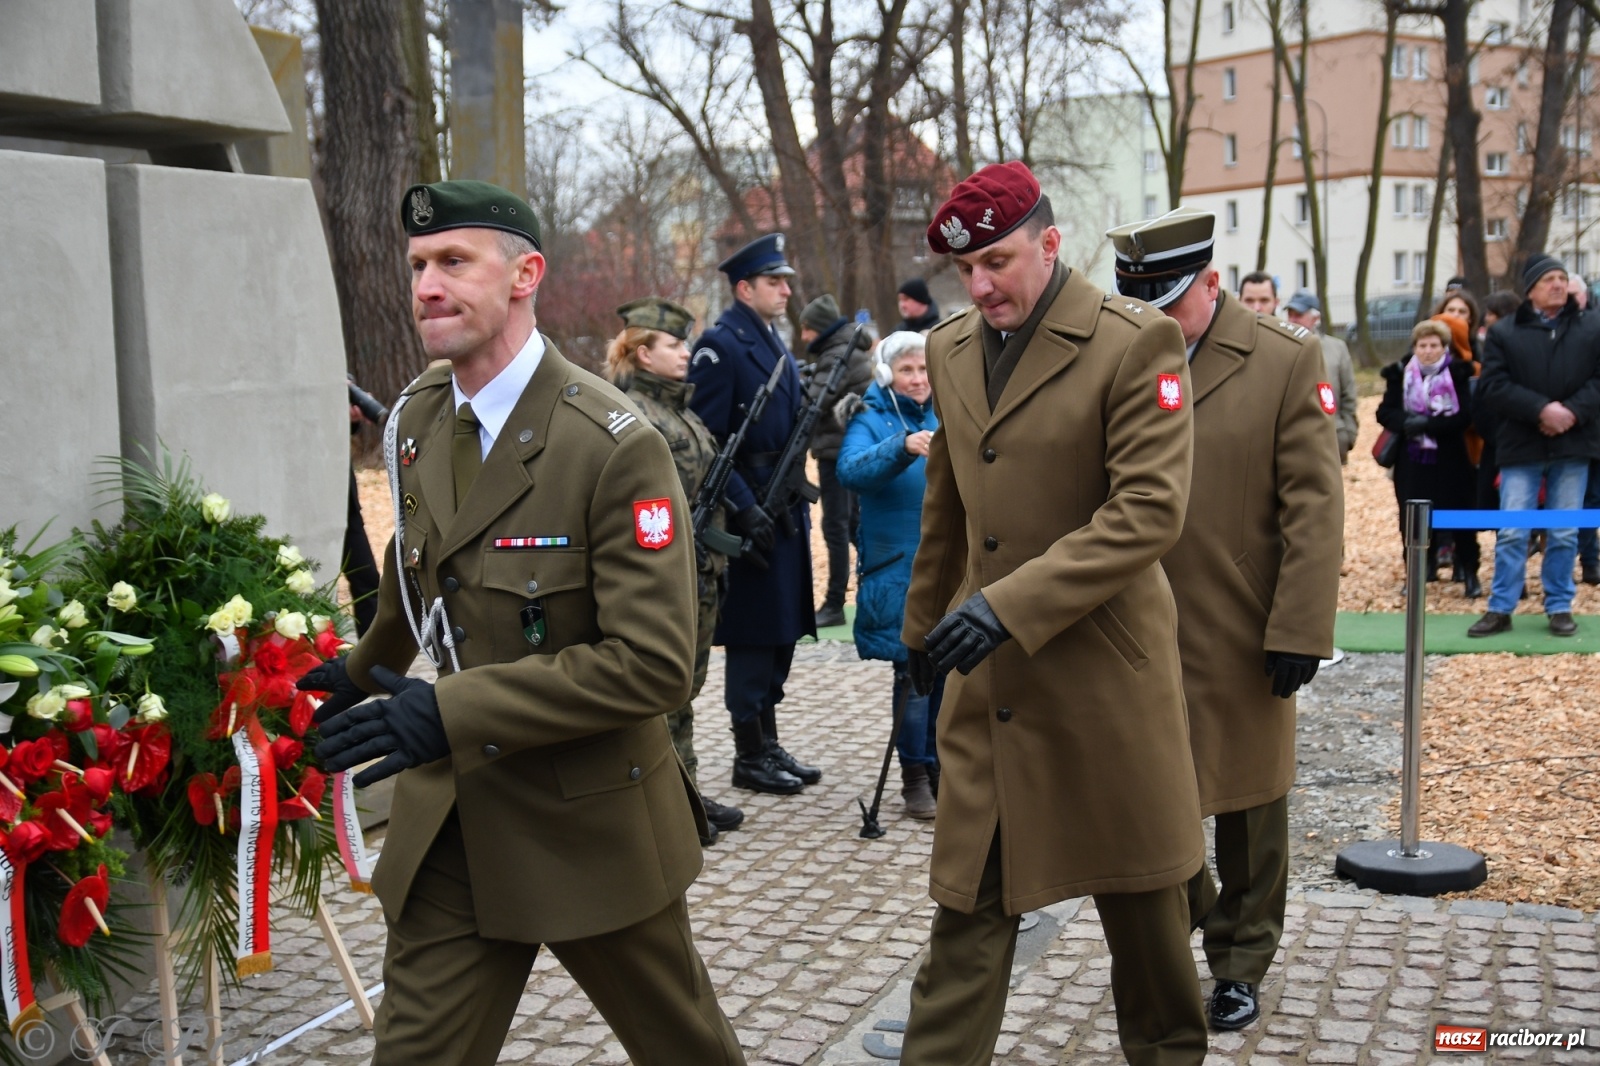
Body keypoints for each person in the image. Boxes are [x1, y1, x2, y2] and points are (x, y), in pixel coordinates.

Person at [297, 180, 745, 1066]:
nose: (427, 284)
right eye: (420, 264)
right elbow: (422, 562)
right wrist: (366, 663)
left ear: (524, 275)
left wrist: (447, 711)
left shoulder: (611, 444)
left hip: (591, 821)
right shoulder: (422, 414)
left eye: (454, 262)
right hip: (459, 818)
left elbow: (653, 666)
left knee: (686, 1050)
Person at [898, 161, 1207, 1066]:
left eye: (999, 260)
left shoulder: (1133, 343)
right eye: (968, 271)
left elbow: (1147, 512)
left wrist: (1006, 606)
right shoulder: (951, 350)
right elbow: (947, 508)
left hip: (1106, 680)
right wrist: (921, 633)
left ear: (1051, 242)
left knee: (1146, 920)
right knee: (966, 914)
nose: (983, 284)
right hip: (990, 687)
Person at [1113, 210, 1343, 1035]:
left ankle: (1241, 960)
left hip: (1242, 623)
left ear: (1211, 282)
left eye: (1168, 301)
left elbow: (1315, 506)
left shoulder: (1284, 360)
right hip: (1136, 623)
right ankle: (1182, 917)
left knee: (1250, 806)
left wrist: (1301, 628)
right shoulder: (1123, 351)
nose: (1153, 318)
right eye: (1140, 301)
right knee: (1150, 794)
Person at [605, 296, 745, 845]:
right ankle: (664, 805)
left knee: (686, 689)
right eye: (674, 345)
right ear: (642, 354)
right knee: (664, 692)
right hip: (665, 577)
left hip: (700, 570)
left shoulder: (679, 410)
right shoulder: (633, 414)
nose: (687, 353)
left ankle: (683, 788)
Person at [687, 234, 822, 794]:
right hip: (749, 514)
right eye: (775, 282)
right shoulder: (721, 347)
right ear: (745, 288)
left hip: (783, 506)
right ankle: (749, 755)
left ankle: (768, 741)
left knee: (781, 631)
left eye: (786, 281)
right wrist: (743, 508)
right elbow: (708, 440)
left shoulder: (770, 339)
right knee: (752, 636)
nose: (787, 290)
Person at [834, 330, 943, 819]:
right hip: (898, 569)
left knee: (951, 673)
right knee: (914, 677)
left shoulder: (950, 407)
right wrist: (902, 446)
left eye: (923, 369)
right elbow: (850, 471)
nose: (918, 379)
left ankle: (946, 768)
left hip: (949, 562)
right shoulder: (870, 416)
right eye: (907, 370)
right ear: (886, 373)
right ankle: (915, 777)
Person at [1470, 254, 1600, 638]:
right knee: (1512, 531)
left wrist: (1570, 413)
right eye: (1549, 280)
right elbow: (1493, 385)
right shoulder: (1504, 332)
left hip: (1574, 443)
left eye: (1562, 278)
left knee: (1563, 532)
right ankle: (1501, 607)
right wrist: (1541, 410)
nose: (1558, 284)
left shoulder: (1592, 327)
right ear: (1531, 290)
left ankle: (1559, 606)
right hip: (1521, 446)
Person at [1377, 320, 1481, 598]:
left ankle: (1469, 570)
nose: (1428, 351)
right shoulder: (1401, 375)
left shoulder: (1457, 374)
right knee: (1412, 518)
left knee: (1460, 515)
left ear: (1444, 347)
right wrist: (1407, 421)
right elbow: (1384, 412)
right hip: (1413, 460)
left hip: (1451, 457)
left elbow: (1464, 417)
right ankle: (1418, 571)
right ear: (1415, 347)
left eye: (1434, 345)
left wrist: (1428, 424)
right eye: (1422, 345)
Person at [797, 294, 873, 628]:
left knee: (837, 527)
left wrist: (797, 387)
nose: (803, 337)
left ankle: (834, 603)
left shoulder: (836, 355)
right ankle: (873, 584)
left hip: (837, 450)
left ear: (821, 329)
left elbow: (815, 402)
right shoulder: (844, 349)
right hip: (846, 447)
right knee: (853, 524)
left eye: (807, 329)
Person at [1284, 288, 1358, 464]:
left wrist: (1348, 433)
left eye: (1299, 315)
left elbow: (1349, 393)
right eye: (1290, 314)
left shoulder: (1337, 348)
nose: (1293, 320)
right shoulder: (1280, 347)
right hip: (1291, 441)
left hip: (1332, 437)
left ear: (1315, 318)